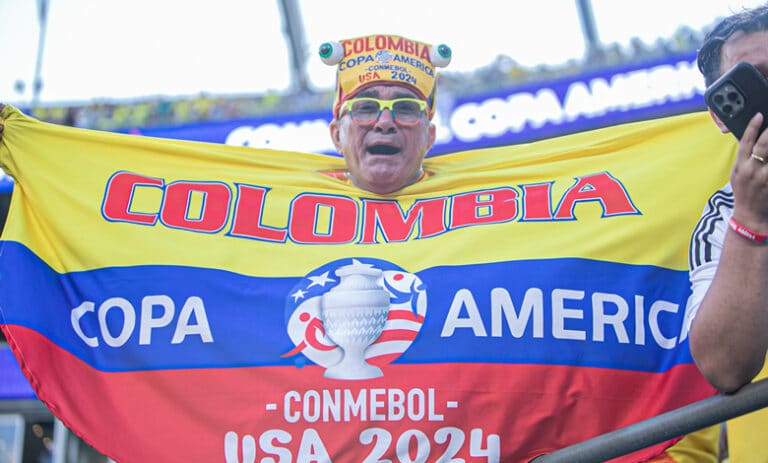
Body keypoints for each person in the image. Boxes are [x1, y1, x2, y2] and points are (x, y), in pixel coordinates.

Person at [0, 34, 721, 462]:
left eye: (406, 107)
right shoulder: (252, 197)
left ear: (431, 134)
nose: (386, 119)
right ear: (337, 128)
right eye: (367, 106)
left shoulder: (521, 194)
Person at [688, 5, 768, 461]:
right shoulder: (725, 217)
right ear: (722, 113)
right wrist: (753, 222)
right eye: (755, 79)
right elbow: (724, 367)